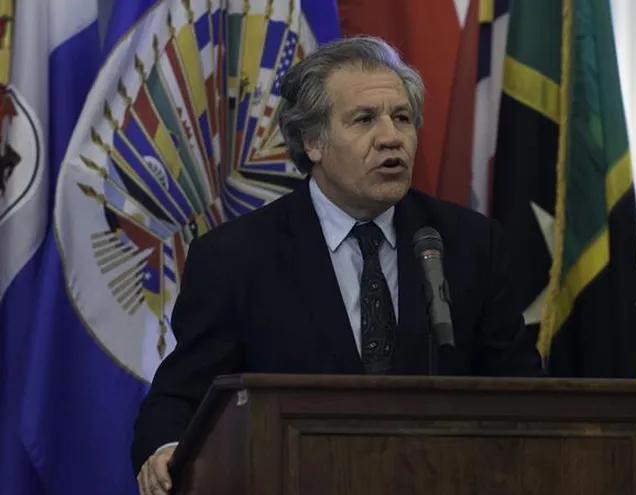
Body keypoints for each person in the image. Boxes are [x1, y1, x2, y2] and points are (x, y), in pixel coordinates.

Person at [132, 35, 543, 494]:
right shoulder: (236, 258)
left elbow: (521, 391)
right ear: (313, 142)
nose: (391, 137)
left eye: (402, 118)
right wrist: (168, 448)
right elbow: (181, 396)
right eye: (365, 119)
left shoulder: (470, 244)